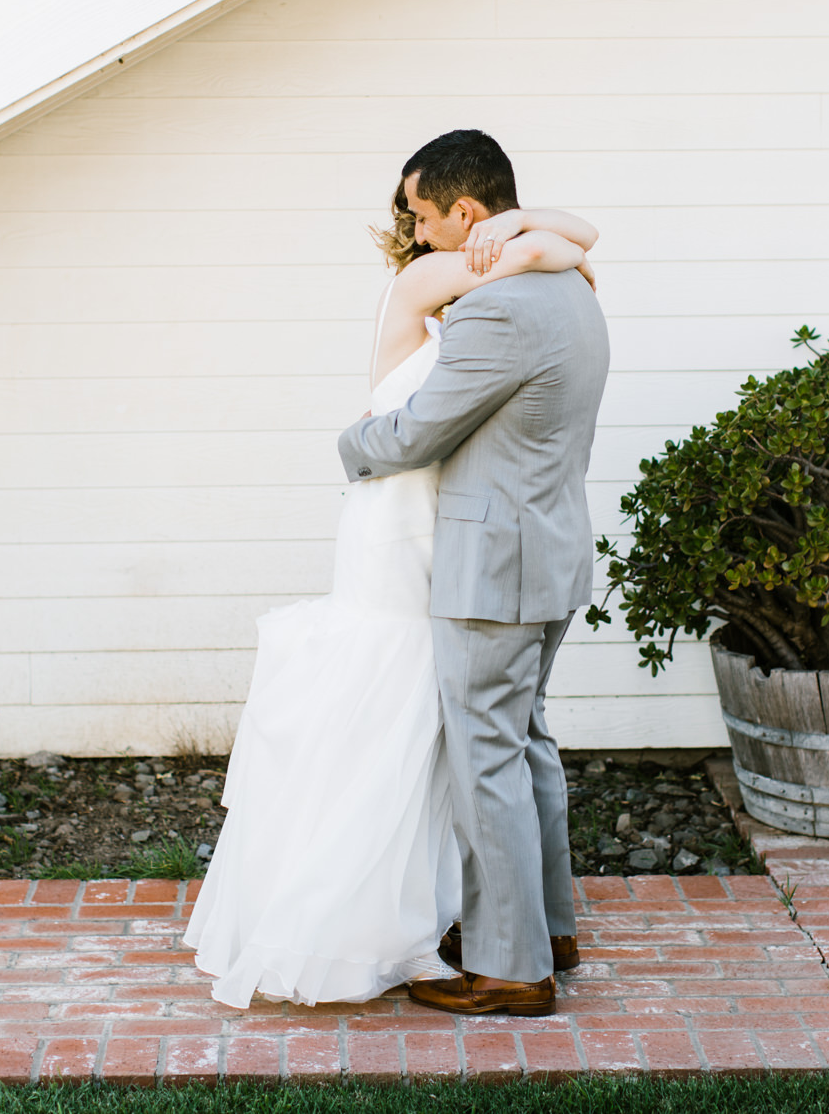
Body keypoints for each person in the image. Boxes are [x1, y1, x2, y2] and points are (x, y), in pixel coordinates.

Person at [182, 130, 603, 1012]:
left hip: (492, 563)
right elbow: (576, 239)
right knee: (525, 743)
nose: (412, 235)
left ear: (467, 213)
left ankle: (514, 966)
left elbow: (414, 433)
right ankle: (547, 925)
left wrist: (350, 442)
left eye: (423, 216)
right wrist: (540, 234)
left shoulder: (495, 308)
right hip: (549, 549)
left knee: (488, 755)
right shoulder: (569, 289)